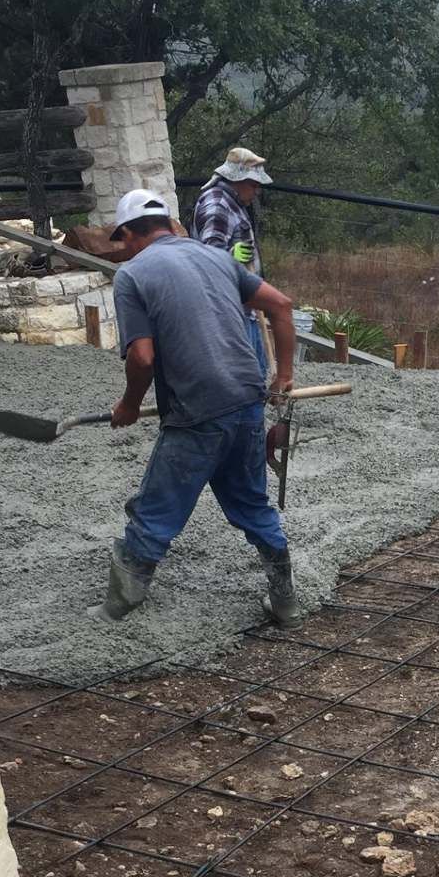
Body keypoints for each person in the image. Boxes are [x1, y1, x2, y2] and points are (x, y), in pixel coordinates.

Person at [104, 188, 299, 626]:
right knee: (252, 505)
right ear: (170, 226)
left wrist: (130, 404)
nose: (125, 248)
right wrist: (283, 377)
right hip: (248, 400)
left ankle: (119, 605)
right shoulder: (217, 259)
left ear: (131, 234)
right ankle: (285, 599)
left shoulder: (133, 275)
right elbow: (282, 306)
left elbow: (142, 357)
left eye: (123, 240)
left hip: (196, 410)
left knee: (157, 509)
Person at [194, 147, 273, 372]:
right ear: (237, 179)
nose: (256, 191)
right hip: (229, 311)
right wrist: (230, 256)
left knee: (255, 373)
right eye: (254, 185)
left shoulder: (232, 202)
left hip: (244, 306)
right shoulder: (217, 206)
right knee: (245, 376)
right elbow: (207, 259)